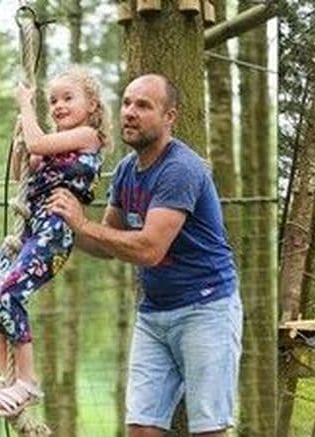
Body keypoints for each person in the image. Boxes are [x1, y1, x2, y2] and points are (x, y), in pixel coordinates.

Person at [47, 73, 242, 437]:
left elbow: (149, 249)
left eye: (143, 105)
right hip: (154, 313)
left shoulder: (181, 168)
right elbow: (108, 244)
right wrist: (59, 224)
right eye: (126, 103)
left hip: (206, 309)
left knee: (209, 430)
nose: (130, 113)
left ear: (170, 117)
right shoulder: (125, 171)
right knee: (141, 429)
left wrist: (83, 224)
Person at [0, 66, 111, 417]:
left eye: (68, 98)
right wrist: (20, 142)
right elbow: (23, 171)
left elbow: (39, 143)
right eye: (53, 101)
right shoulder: (50, 145)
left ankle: (27, 382)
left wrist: (25, 106)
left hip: (54, 232)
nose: (58, 106)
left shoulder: (87, 137)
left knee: (9, 295)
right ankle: (8, 375)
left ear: (91, 105)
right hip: (31, 229)